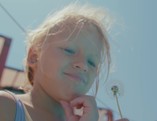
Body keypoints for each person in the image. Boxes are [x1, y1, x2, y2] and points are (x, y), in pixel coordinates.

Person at [0, 3, 129, 121]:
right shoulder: (5, 106)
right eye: (69, 50)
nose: (83, 65)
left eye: (92, 62)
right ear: (34, 56)